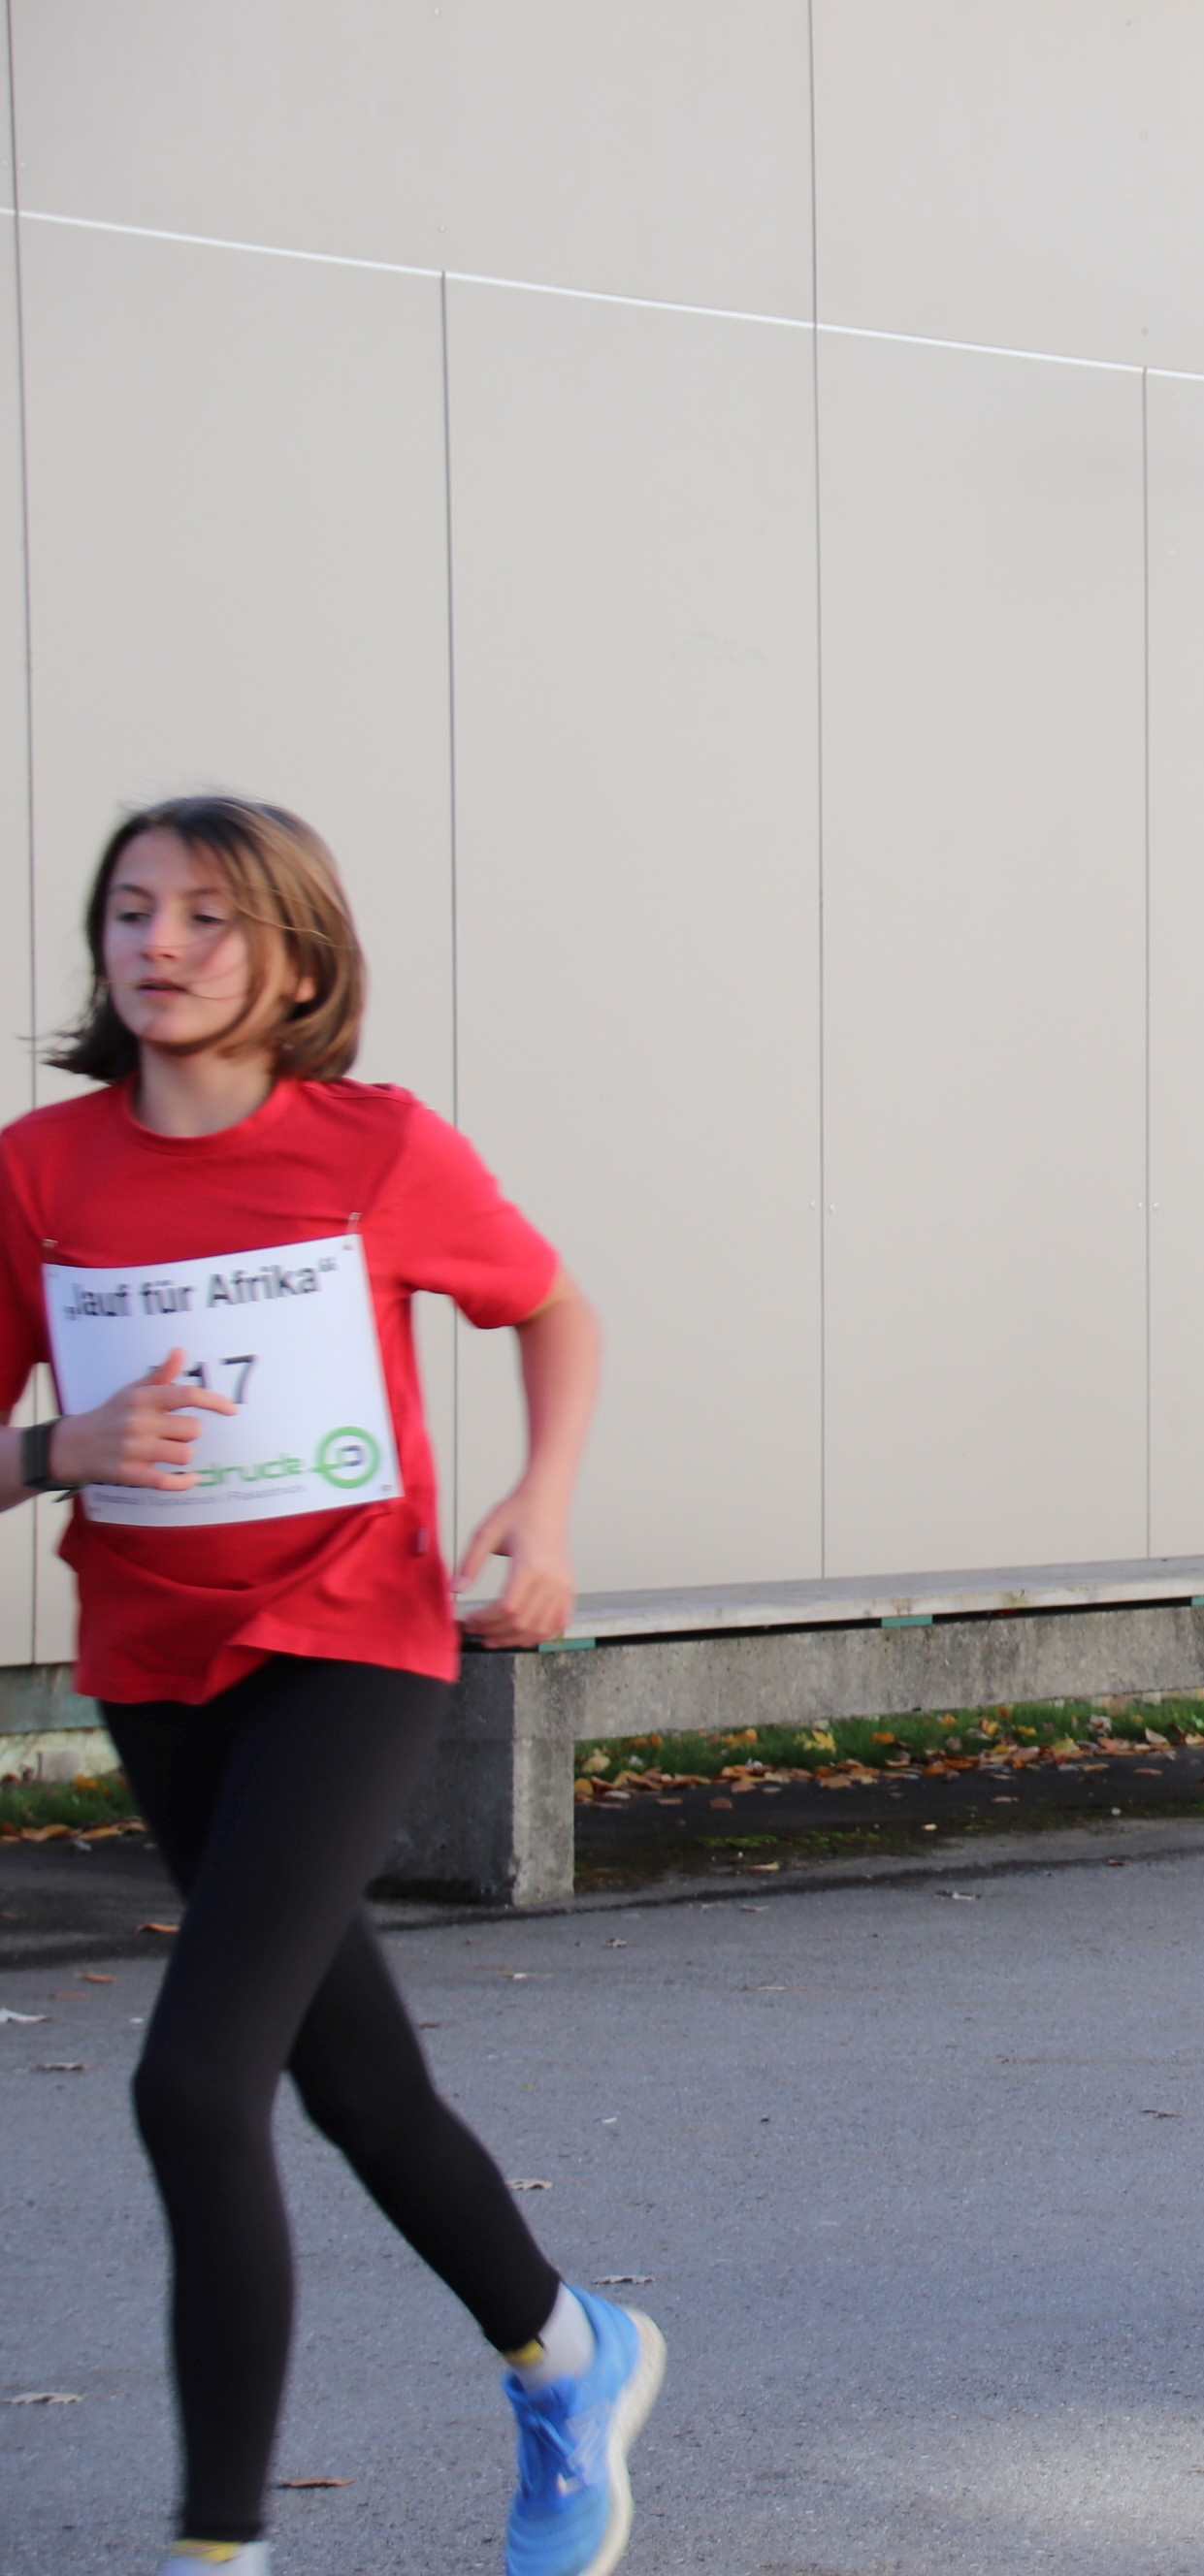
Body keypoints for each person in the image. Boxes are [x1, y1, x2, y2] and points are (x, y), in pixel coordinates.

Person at [1, 799, 658, 2575]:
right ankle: (569, 2353)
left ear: (298, 963)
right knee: (355, 2083)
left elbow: (553, 1308)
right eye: (130, 909)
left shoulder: (376, 1147)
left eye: (208, 917)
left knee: (195, 2083)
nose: (158, 944)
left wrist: (541, 1506)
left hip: (354, 1643)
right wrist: (61, 1446)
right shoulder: (39, 1173)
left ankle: (221, 2551)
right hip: (155, 1662)